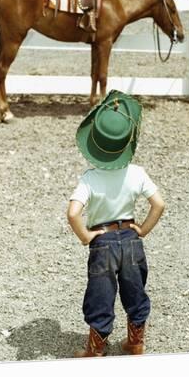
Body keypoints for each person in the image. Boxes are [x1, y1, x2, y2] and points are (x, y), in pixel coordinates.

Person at [67, 90, 165, 357]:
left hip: (103, 243)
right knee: (135, 290)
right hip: (132, 240)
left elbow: (73, 213)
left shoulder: (90, 178)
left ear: (95, 144)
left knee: (101, 293)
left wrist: (86, 236)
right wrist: (143, 229)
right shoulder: (137, 173)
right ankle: (135, 342)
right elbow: (159, 204)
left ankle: (96, 349)